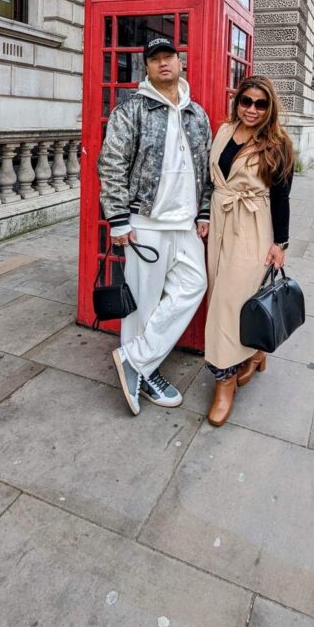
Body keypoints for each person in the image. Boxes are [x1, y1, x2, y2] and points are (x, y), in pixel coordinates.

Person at [98, 36, 211, 416]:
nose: (163, 64)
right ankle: (144, 373)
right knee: (142, 305)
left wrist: (205, 212)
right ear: (147, 67)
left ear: (181, 63)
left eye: (169, 57)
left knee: (194, 285)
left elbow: (206, 171)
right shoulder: (132, 110)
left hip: (186, 223)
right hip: (145, 222)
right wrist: (117, 219)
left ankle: (136, 360)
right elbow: (111, 162)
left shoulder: (197, 114)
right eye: (155, 59)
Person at [204, 75, 295, 426]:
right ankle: (257, 353)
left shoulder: (278, 143)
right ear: (237, 101)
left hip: (254, 226)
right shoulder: (224, 131)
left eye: (260, 104)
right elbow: (208, 176)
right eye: (246, 102)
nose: (252, 110)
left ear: (270, 107)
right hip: (220, 221)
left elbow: (282, 197)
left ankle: (223, 382)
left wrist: (280, 244)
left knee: (230, 301)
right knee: (223, 295)